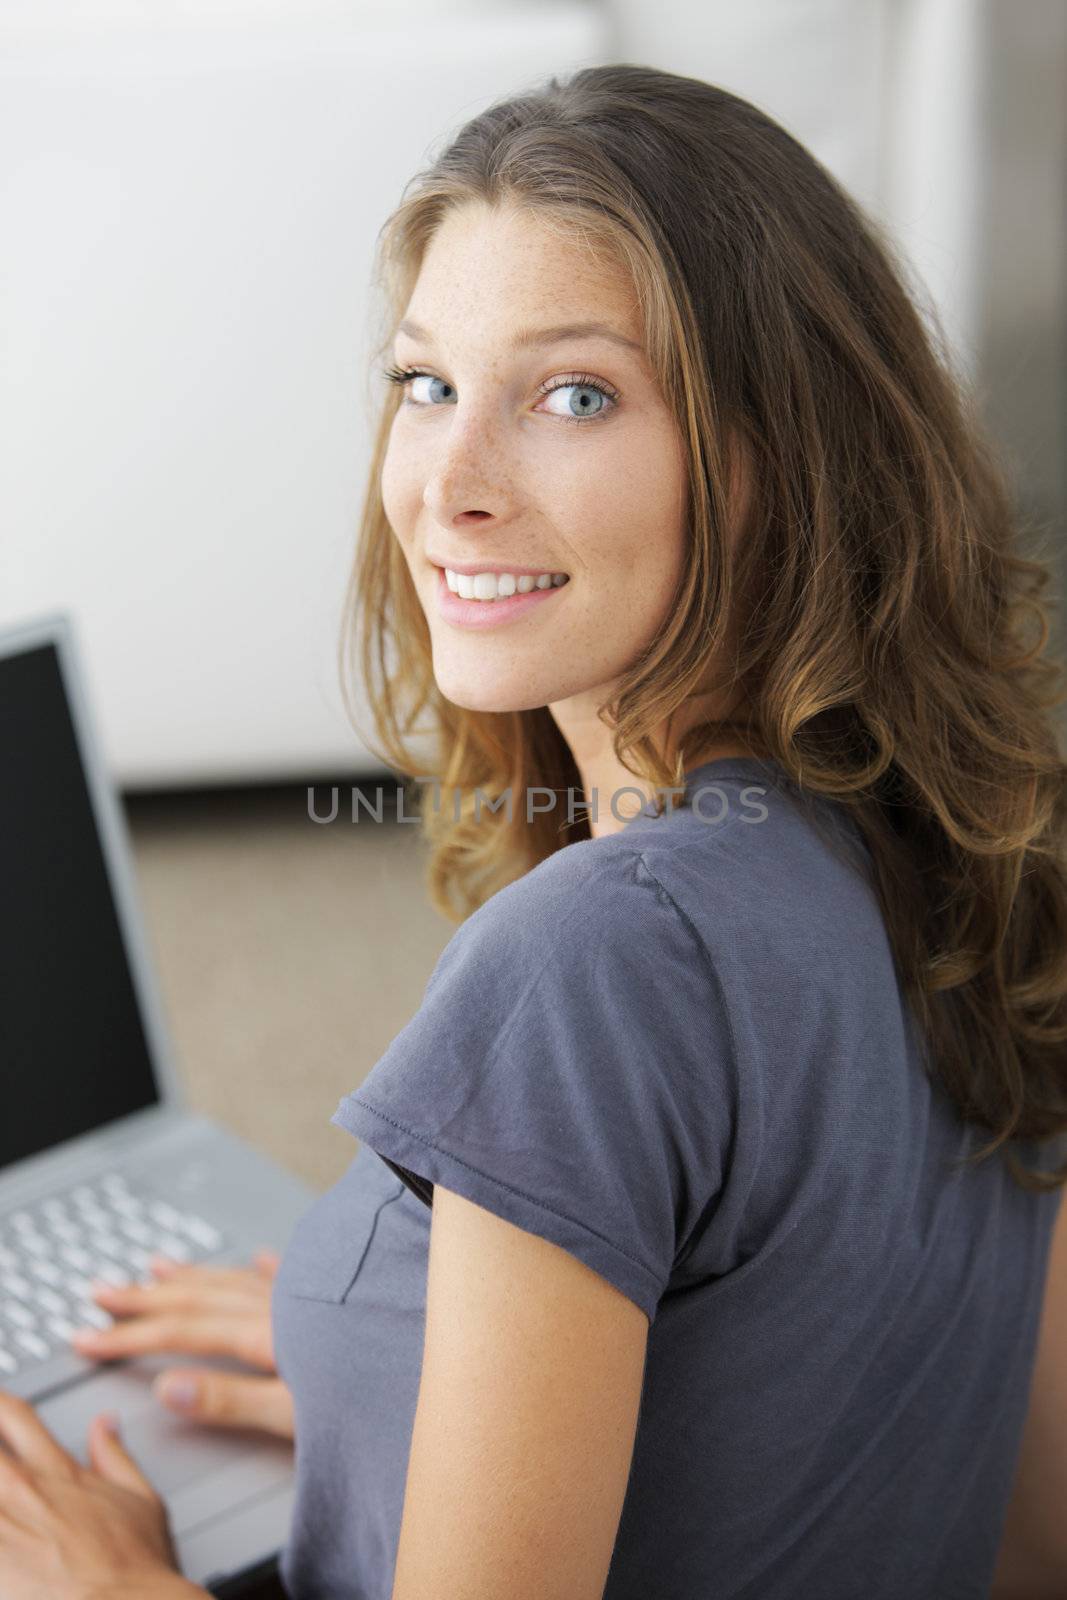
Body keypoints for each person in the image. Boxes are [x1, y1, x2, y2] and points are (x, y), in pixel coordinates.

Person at [3, 60, 1067, 1600]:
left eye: (574, 394)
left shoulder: (596, 965)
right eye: (426, 385)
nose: (451, 485)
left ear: (784, 460)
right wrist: (384, 1358)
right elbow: (1030, 1544)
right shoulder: (968, 851)